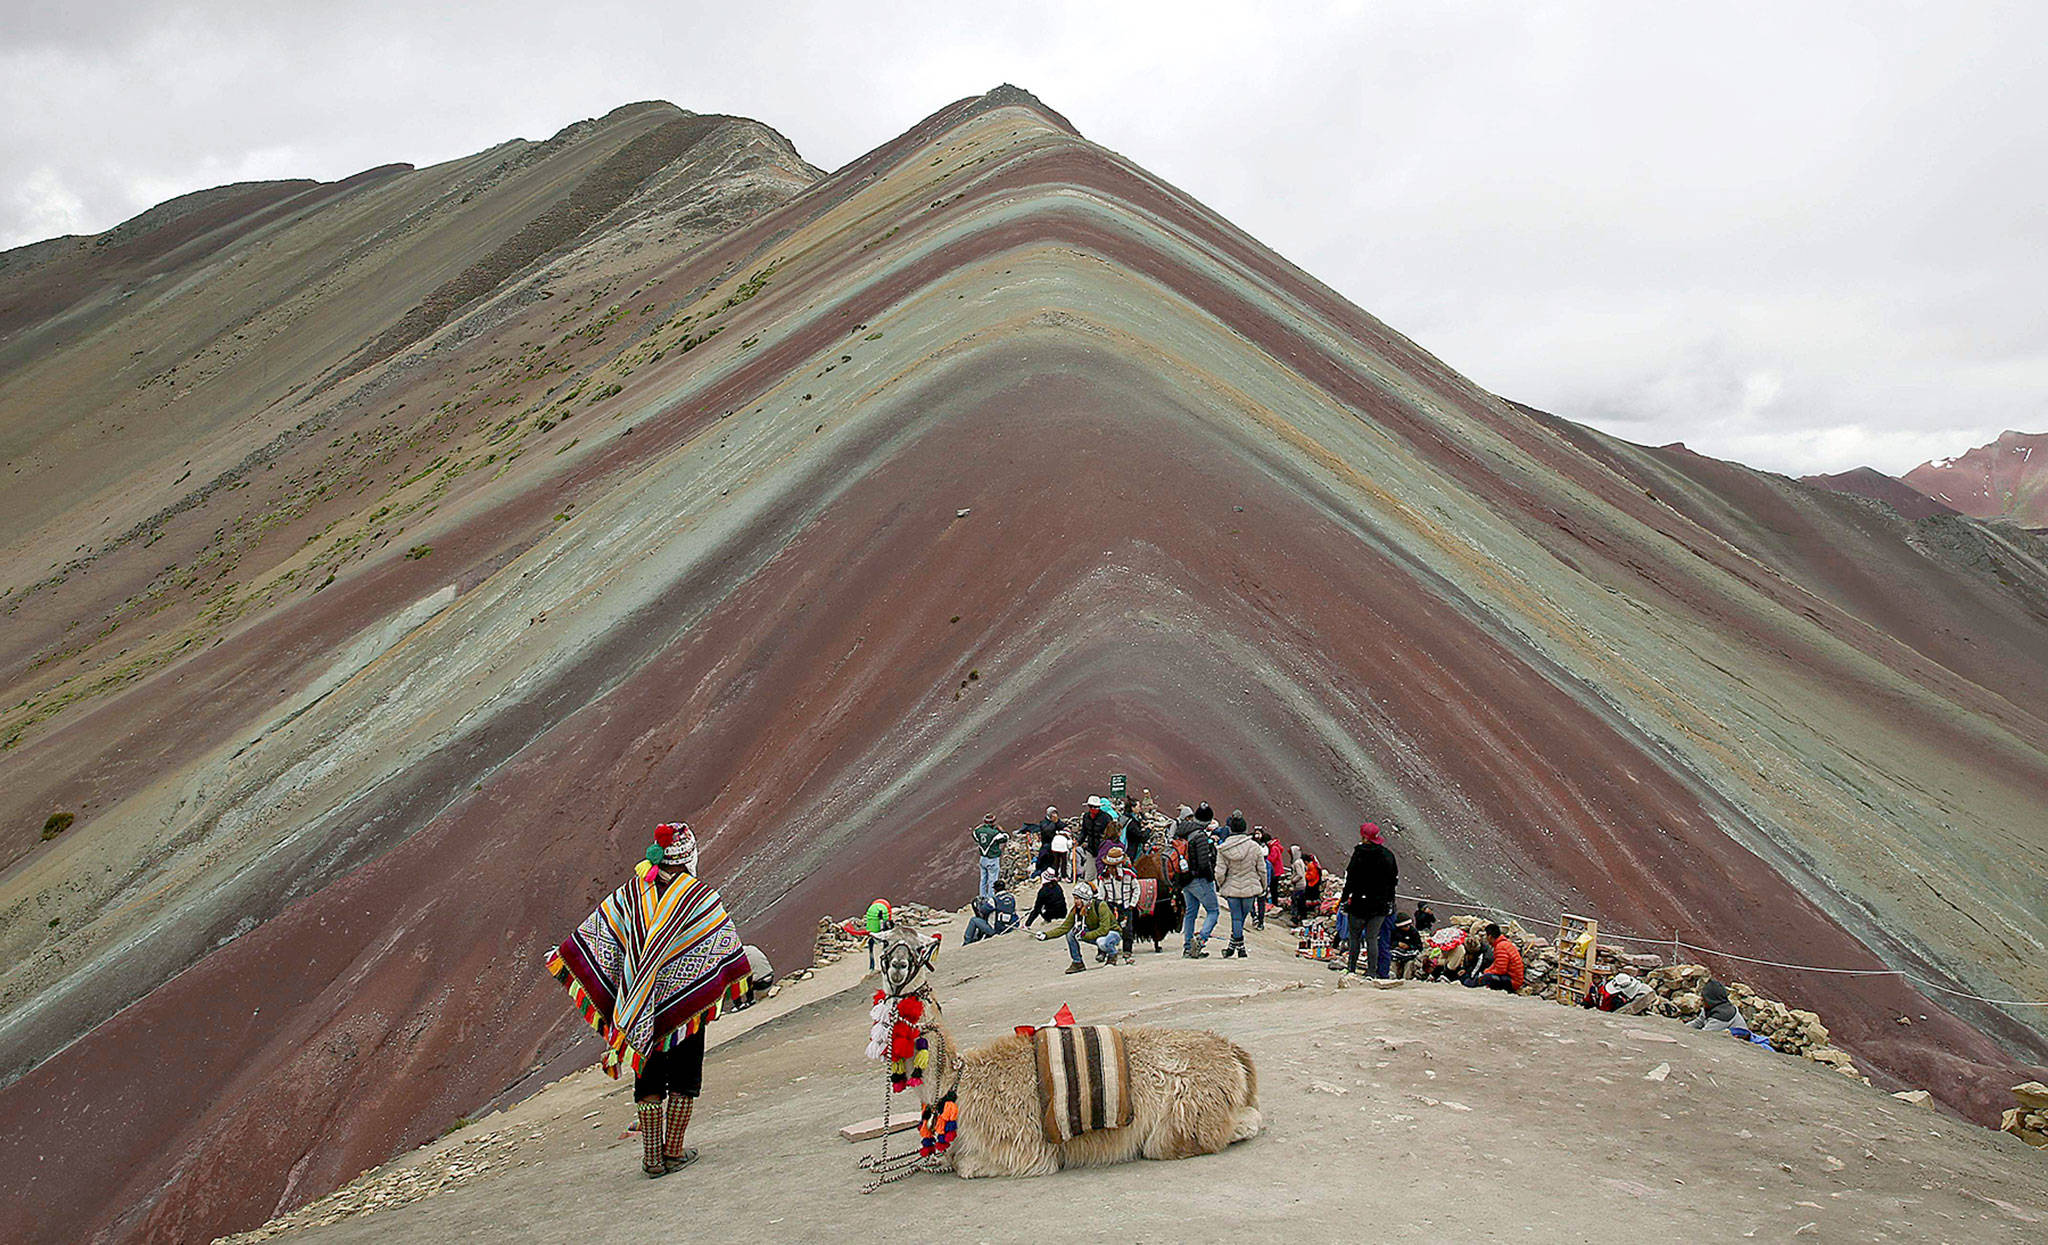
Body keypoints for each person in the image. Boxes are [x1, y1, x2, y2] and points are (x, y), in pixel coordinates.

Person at [549, 822, 751, 1176]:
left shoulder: (631, 893)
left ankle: (651, 1158)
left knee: (649, 1073)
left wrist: (570, 956)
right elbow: (723, 945)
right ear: (688, 856)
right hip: (687, 1006)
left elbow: (602, 934)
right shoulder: (701, 898)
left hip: (641, 1006)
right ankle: (673, 1151)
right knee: (686, 1074)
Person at [1335, 823, 1398, 976]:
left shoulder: (1359, 853)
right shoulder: (1388, 855)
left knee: (1354, 937)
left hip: (1359, 903)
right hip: (1380, 906)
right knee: (1372, 938)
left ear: (1364, 837)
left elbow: (1350, 879)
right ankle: (1371, 972)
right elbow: (1393, 881)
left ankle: (1351, 969)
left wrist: (1343, 900)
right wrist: (1390, 901)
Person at [1037, 882, 1123, 973]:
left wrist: (1084, 935)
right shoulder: (1076, 910)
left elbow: (1104, 929)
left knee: (1102, 942)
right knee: (1070, 934)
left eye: (1077, 899)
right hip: (1094, 933)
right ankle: (1077, 962)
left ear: (1085, 898)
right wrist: (1046, 935)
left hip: (1112, 933)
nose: (1075, 901)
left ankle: (1112, 954)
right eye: (1075, 898)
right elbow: (1064, 928)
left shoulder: (1101, 906)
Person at [1214, 814, 1265, 959]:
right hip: (1250, 888)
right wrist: (1263, 885)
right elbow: (1262, 869)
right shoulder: (1254, 847)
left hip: (1232, 888)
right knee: (1242, 918)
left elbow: (1219, 872)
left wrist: (1222, 884)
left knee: (1236, 918)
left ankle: (1233, 946)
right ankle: (1240, 948)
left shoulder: (1223, 849)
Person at [1177, 815, 1220, 958]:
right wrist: (1210, 878)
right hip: (1199, 879)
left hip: (1185, 879)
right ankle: (1200, 940)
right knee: (1213, 911)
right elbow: (1203, 862)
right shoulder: (1199, 836)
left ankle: (1187, 947)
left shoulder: (1181, 833)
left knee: (1190, 912)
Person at [1462, 923, 1524, 992]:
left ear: (1490, 936)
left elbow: (1501, 970)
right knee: (1485, 974)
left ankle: (1468, 983)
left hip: (1513, 981)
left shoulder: (1501, 947)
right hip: (1511, 977)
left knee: (1487, 978)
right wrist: (1487, 971)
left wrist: (1487, 973)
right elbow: (1496, 964)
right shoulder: (1504, 944)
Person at [970, 812, 1007, 901]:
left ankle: (982, 897)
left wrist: (979, 827)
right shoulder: (994, 833)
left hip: (983, 858)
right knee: (992, 880)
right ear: (993, 822)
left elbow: (974, 834)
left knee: (983, 879)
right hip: (992, 858)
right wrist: (1002, 830)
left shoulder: (978, 831)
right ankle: (991, 899)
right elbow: (1005, 838)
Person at [864, 897, 893, 970]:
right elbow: (887, 921)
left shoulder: (872, 911)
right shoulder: (883, 910)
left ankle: (872, 966)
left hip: (872, 932)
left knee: (872, 948)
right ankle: (884, 964)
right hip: (881, 933)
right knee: (884, 947)